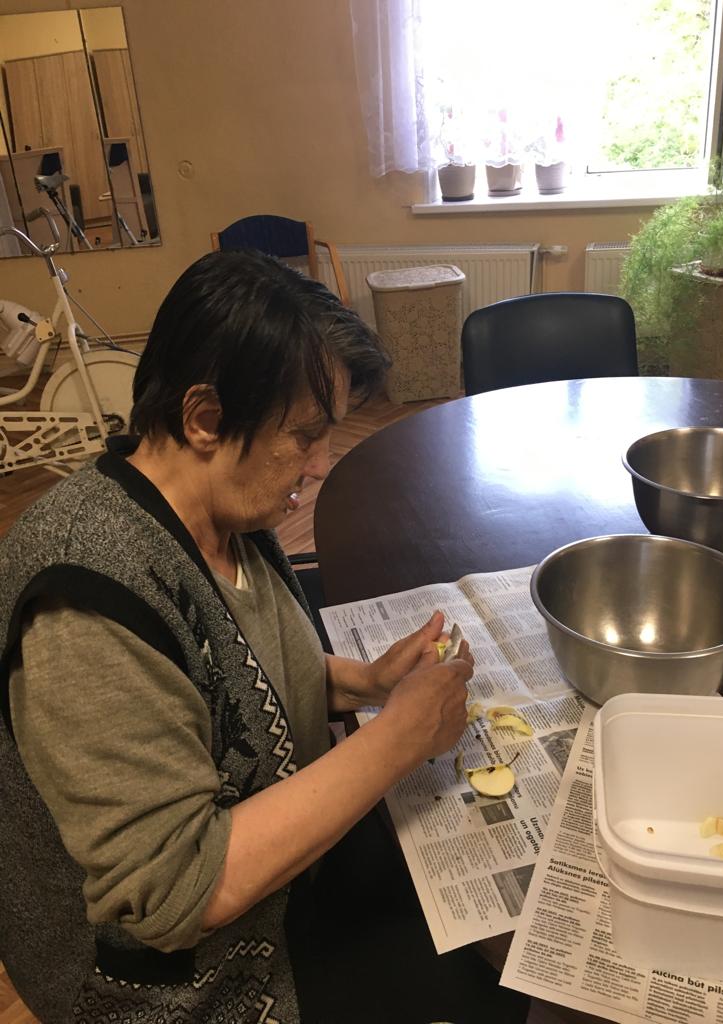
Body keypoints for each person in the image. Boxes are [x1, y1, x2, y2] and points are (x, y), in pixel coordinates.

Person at [0, 250, 529, 1024]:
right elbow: (177, 892)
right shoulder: (86, 607)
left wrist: (366, 684)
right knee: (488, 988)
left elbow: (223, 675)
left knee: (485, 945)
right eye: (305, 436)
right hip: (170, 976)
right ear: (205, 418)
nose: (319, 465)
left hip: (274, 867)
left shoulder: (220, 511)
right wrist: (400, 737)